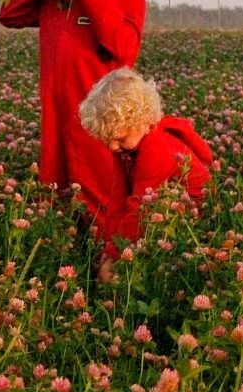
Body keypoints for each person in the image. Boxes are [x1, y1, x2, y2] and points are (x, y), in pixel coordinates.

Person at [0, 0, 146, 236]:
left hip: (100, 121)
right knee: (55, 192)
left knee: (101, 197)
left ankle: (108, 254)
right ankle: (61, 253)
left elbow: (124, 50)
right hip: (56, 113)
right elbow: (9, 16)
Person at [79, 66, 213, 270]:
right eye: (107, 140)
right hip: (163, 211)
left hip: (196, 219)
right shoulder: (127, 149)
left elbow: (140, 211)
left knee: (156, 258)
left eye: (120, 138)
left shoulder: (157, 149)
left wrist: (115, 257)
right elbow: (118, 200)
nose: (113, 147)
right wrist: (109, 247)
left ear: (143, 121)